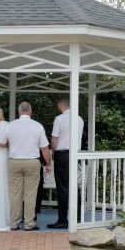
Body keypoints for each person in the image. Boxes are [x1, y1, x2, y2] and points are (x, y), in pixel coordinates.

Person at [5, 101, 52, 231]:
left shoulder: (10, 126)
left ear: (18, 111)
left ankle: (14, 223)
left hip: (14, 161)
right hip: (32, 162)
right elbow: (45, 148)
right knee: (30, 194)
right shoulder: (37, 126)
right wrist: (48, 163)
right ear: (30, 111)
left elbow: (5, 142)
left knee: (15, 194)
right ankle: (29, 223)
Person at [48, 96, 84, 229]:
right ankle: (78, 217)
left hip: (62, 155)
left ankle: (63, 220)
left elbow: (55, 139)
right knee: (75, 186)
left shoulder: (59, 119)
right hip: (75, 155)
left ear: (60, 106)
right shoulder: (79, 119)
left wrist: (53, 152)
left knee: (62, 187)